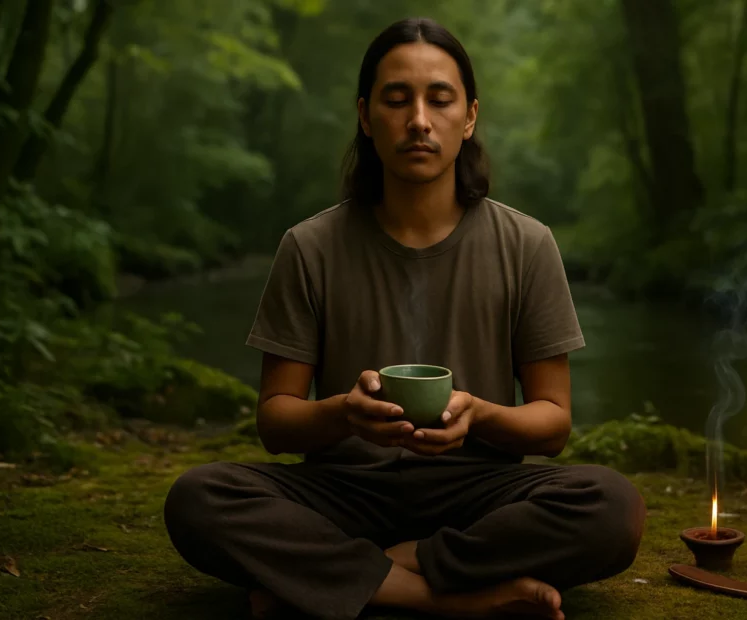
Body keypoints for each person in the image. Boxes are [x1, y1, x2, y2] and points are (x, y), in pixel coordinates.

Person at [164, 17, 645, 620]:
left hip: (477, 493)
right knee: (199, 498)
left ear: (469, 117)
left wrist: (479, 415)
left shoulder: (527, 245)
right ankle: (449, 599)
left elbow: (552, 423)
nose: (419, 120)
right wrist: (344, 414)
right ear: (366, 117)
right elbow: (277, 421)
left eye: (439, 99)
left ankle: (362, 572)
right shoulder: (310, 247)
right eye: (396, 100)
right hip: (343, 492)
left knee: (611, 506)